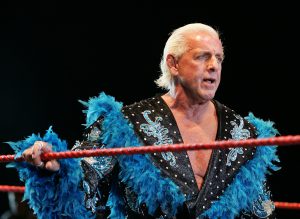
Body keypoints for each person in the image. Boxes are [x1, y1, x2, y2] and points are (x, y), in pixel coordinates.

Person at [8, 23, 280, 219]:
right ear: (173, 64)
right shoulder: (124, 126)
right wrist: (53, 169)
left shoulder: (245, 134)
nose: (214, 66)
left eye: (219, 58)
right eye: (202, 56)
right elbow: (82, 185)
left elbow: (260, 210)